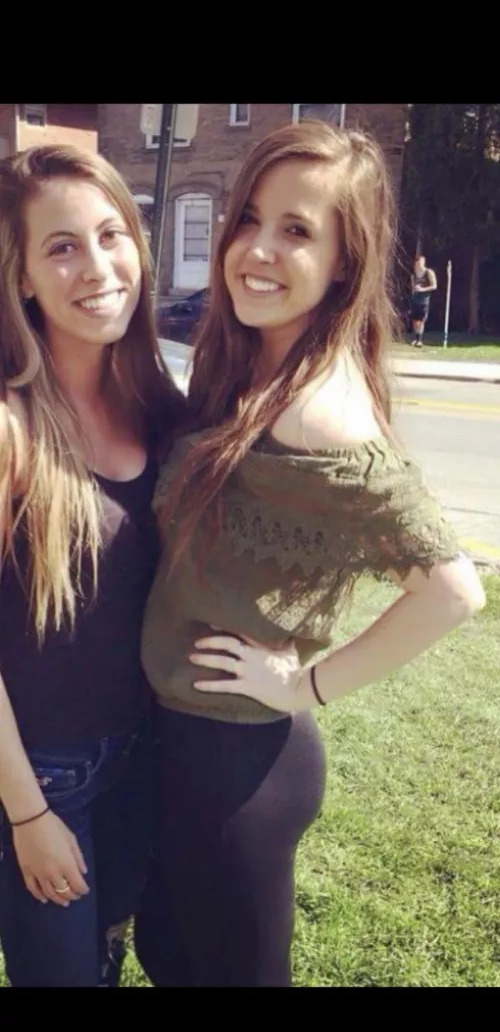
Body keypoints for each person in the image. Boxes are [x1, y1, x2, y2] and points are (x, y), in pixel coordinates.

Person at [133, 121, 485, 988]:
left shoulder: (319, 412)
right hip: (187, 745)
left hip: (239, 762)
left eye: (296, 230)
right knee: (172, 956)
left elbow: (452, 589)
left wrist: (306, 685)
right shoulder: (255, 370)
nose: (257, 250)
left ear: (342, 265)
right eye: (249, 219)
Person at [0, 144, 184, 987]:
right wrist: (27, 813)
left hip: (141, 758)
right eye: (62, 246)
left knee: (107, 962)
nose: (100, 267)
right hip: (42, 776)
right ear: (22, 277)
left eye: (112, 235)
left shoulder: (157, 404)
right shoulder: (11, 429)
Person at [410, 254, 437, 346]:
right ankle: (415, 338)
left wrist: (423, 289)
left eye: (420, 262)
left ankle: (419, 340)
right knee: (414, 319)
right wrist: (415, 289)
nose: (418, 264)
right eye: (417, 263)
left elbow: (434, 286)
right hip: (415, 299)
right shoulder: (413, 275)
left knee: (421, 320)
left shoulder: (429, 272)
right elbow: (412, 287)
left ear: (424, 262)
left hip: (424, 300)